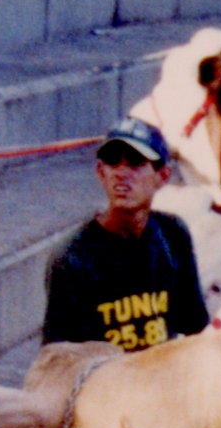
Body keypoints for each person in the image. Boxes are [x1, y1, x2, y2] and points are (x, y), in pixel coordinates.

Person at [41, 117, 208, 353]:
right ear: (101, 172)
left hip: (164, 377)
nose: (121, 173)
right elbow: (59, 358)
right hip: (103, 383)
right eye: (112, 162)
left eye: (136, 163)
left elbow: (194, 326)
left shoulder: (173, 233)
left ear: (163, 176)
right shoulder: (73, 257)